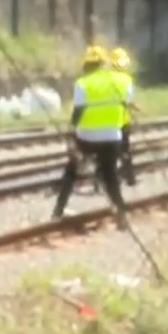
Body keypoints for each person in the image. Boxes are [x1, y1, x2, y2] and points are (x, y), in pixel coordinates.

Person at [51, 46, 132, 229]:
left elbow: (78, 111)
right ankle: (121, 215)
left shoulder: (83, 83)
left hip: (87, 137)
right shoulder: (120, 81)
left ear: (87, 64)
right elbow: (126, 104)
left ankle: (58, 210)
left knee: (71, 171)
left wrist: (70, 130)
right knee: (111, 177)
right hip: (112, 137)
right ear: (104, 63)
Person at [109, 47, 141, 186]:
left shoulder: (106, 78)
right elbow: (129, 100)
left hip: (108, 120)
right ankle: (130, 178)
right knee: (125, 150)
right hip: (123, 120)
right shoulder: (127, 79)